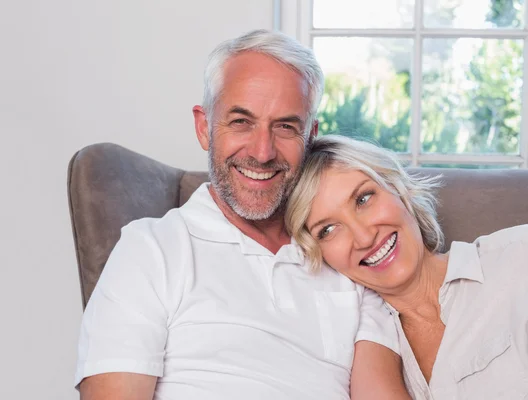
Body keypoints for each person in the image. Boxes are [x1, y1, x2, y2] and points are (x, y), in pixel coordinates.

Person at [74, 30, 411, 399]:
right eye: (241, 122)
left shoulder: (349, 259)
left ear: (310, 137)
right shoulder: (150, 250)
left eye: (285, 126)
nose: (263, 152)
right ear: (204, 128)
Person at [286, 134, 528, 400]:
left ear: (399, 191)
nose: (364, 236)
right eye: (328, 230)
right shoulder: (366, 356)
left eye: (364, 198)